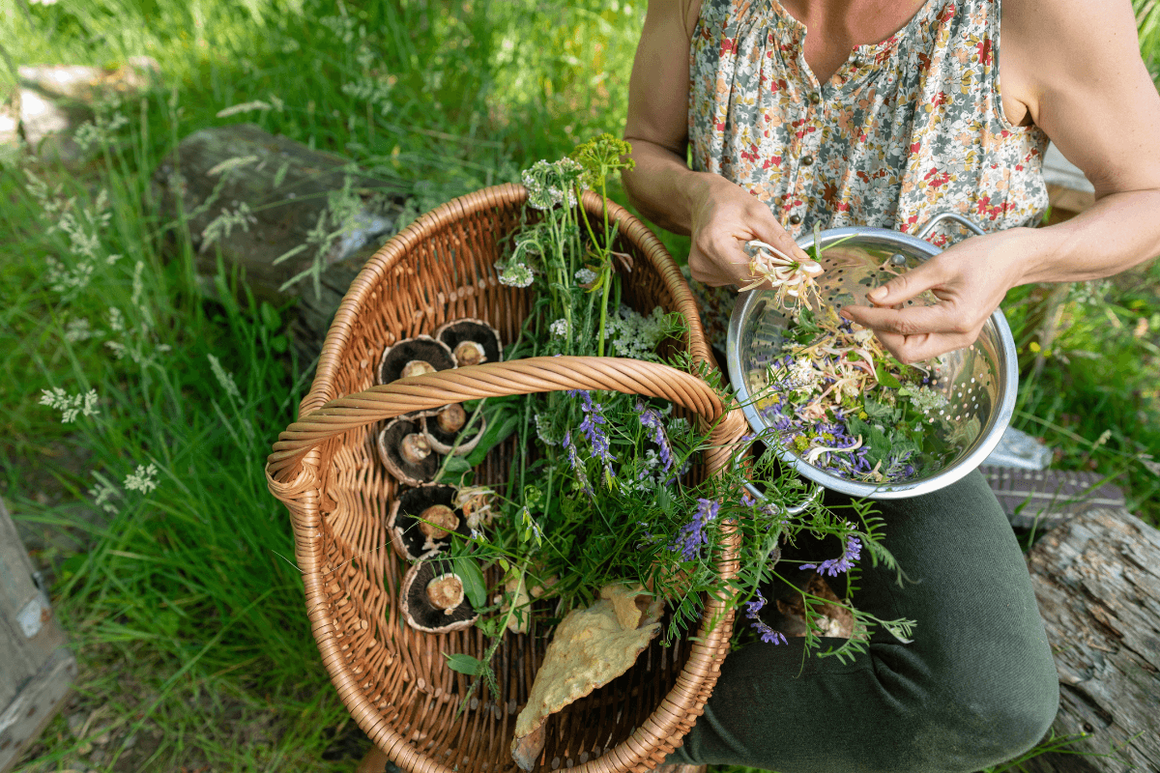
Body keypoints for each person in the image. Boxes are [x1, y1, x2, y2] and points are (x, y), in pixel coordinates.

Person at [621, 0, 1160, 770]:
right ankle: (612, 698)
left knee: (987, 694)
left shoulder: (1042, 11)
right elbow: (639, 148)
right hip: (700, 373)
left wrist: (1017, 256)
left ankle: (656, 727)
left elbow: (1149, 194)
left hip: (893, 427)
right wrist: (694, 196)